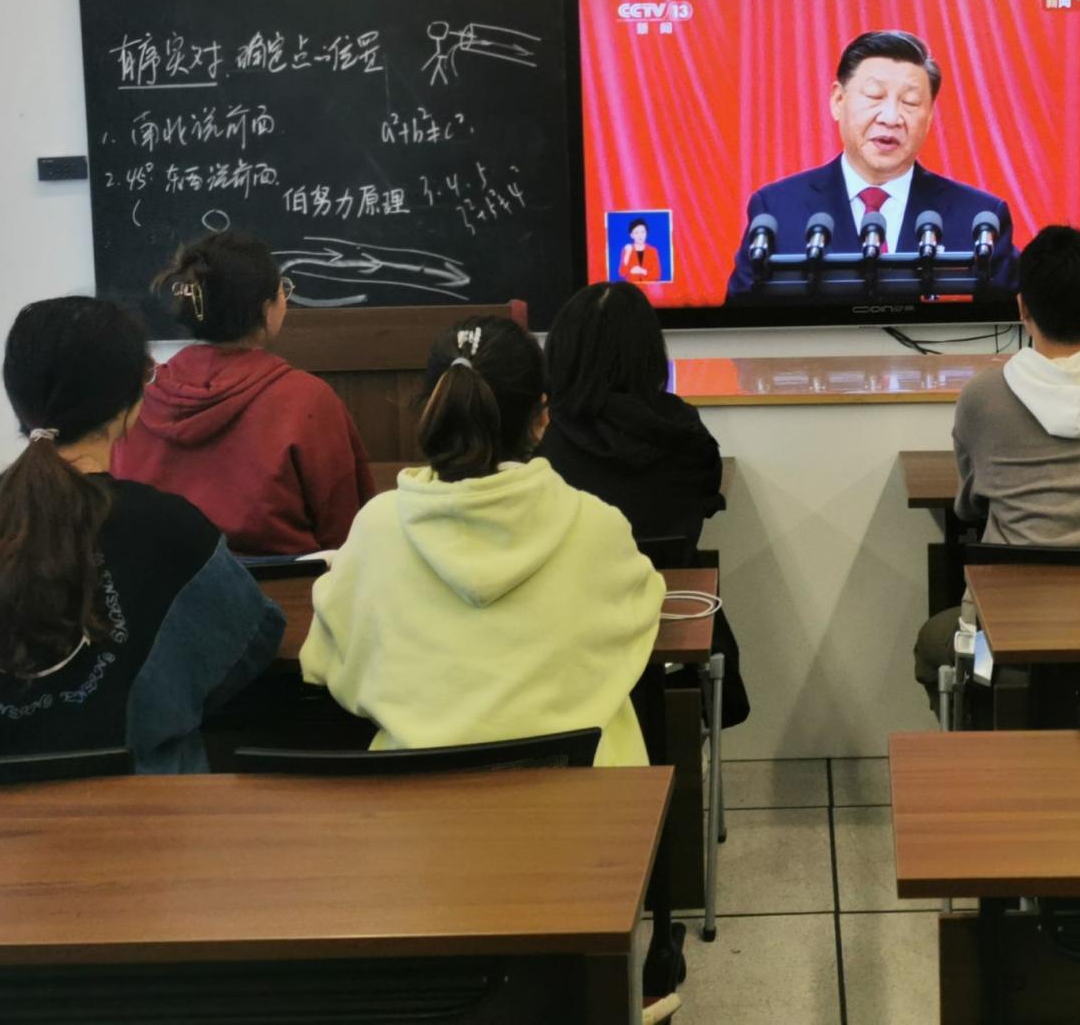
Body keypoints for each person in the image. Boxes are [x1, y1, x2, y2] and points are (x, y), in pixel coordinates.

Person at [0, 297, 283, 772]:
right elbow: (249, 646)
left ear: (17, 397)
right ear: (131, 403)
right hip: (133, 803)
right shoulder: (173, 531)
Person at [300, 315, 666, 765]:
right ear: (542, 417)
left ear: (430, 408)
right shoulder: (597, 526)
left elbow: (323, 661)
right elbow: (641, 620)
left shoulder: (376, 527)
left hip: (414, 799)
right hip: (583, 796)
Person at [911, 225, 1080, 704]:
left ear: (1022, 307)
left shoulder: (982, 395)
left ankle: (986, 729)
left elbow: (969, 504)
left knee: (936, 642)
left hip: (1006, 629)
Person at [538, 281, 750, 727]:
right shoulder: (686, 433)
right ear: (650, 353)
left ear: (562, 353)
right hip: (671, 634)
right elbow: (705, 498)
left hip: (564, 652)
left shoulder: (546, 450)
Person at [114, 231, 375, 556]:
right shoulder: (307, 400)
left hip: (162, 584)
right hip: (287, 584)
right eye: (283, 290)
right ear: (266, 309)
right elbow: (347, 532)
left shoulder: (139, 397)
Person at [726, 30, 1017, 300]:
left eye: (910, 102)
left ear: (929, 116)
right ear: (838, 100)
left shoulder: (980, 218)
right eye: (875, 96)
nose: (891, 118)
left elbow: (1009, 327)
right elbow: (739, 327)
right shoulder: (777, 209)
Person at [617, 219, 659, 284]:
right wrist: (627, 254)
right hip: (632, 287)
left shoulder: (652, 251)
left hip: (649, 286)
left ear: (646, 233)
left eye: (643, 232)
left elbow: (656, 275)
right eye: (636, 232)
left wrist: (642, 271)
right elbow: (622, 274)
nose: (640, 235)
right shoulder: (627, 249)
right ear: (631, 235)